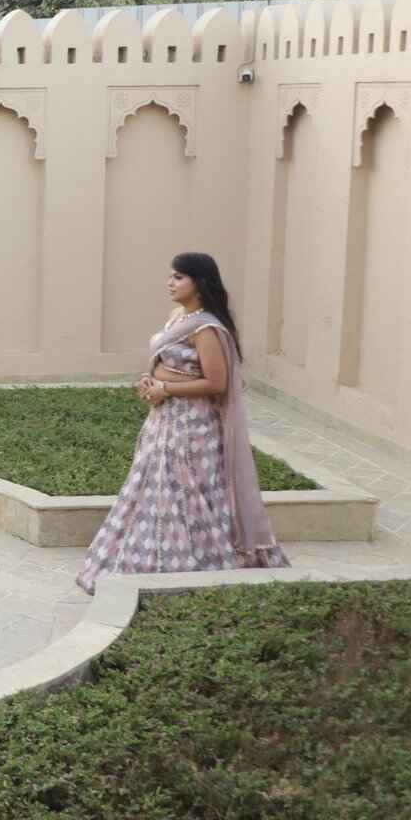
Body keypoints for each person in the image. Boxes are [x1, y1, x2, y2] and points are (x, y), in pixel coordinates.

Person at [76, 251, 288, 595]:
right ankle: (143, 561)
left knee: (184, 493)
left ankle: (188, 565)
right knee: (154, 489)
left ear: (199, 283)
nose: (170, 283)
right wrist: (149, 381)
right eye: (171, 276)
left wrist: (166, 388)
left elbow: (216, 383)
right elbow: (162, 361)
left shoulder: (206, 328)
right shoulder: (178, 317)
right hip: (164, 418)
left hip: (191, 427)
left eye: (179, 277)